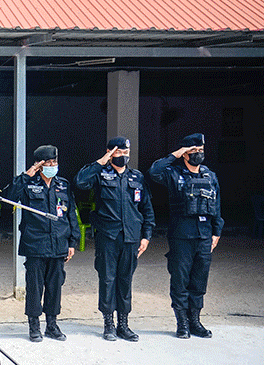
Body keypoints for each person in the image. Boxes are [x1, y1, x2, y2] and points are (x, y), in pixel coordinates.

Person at [75, 137, 154, 342]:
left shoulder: (137, 177)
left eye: (126, 152)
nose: (124, 156)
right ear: (110, 153)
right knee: (108, 279)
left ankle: (123, 324)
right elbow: (80, 182)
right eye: (119, 153)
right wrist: (102, 161)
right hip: (108, 236)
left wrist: (146, 236)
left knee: (125, 280)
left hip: (131, 237)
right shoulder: (100, 174)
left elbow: (146, 208)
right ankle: (108, 323)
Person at [148, 133, 223, 339]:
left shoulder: (210, 176)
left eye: (201, 150)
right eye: (194, 151)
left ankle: (195, 321)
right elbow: (154, 171)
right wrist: (176, 154)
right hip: (182, 236)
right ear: (185, 154)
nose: (199, 154)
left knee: (199, 281)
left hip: (204, 235)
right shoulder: (173, 174)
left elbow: (216, 206)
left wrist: (217, 232)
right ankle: (182, 323)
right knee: (180, 279)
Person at [6, 145, 79, 342]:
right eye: (47, 163)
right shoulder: (28, 184)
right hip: (35, 244)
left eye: (54, 163)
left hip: (59, 243)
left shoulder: (63, 185)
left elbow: (71, 214)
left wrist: (73, 241)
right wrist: (27, 175)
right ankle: (34, 325)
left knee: (55, 286)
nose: (52, 166)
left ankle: (52, 324)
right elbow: (9, 197)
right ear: (39, 165)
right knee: (35, 287)